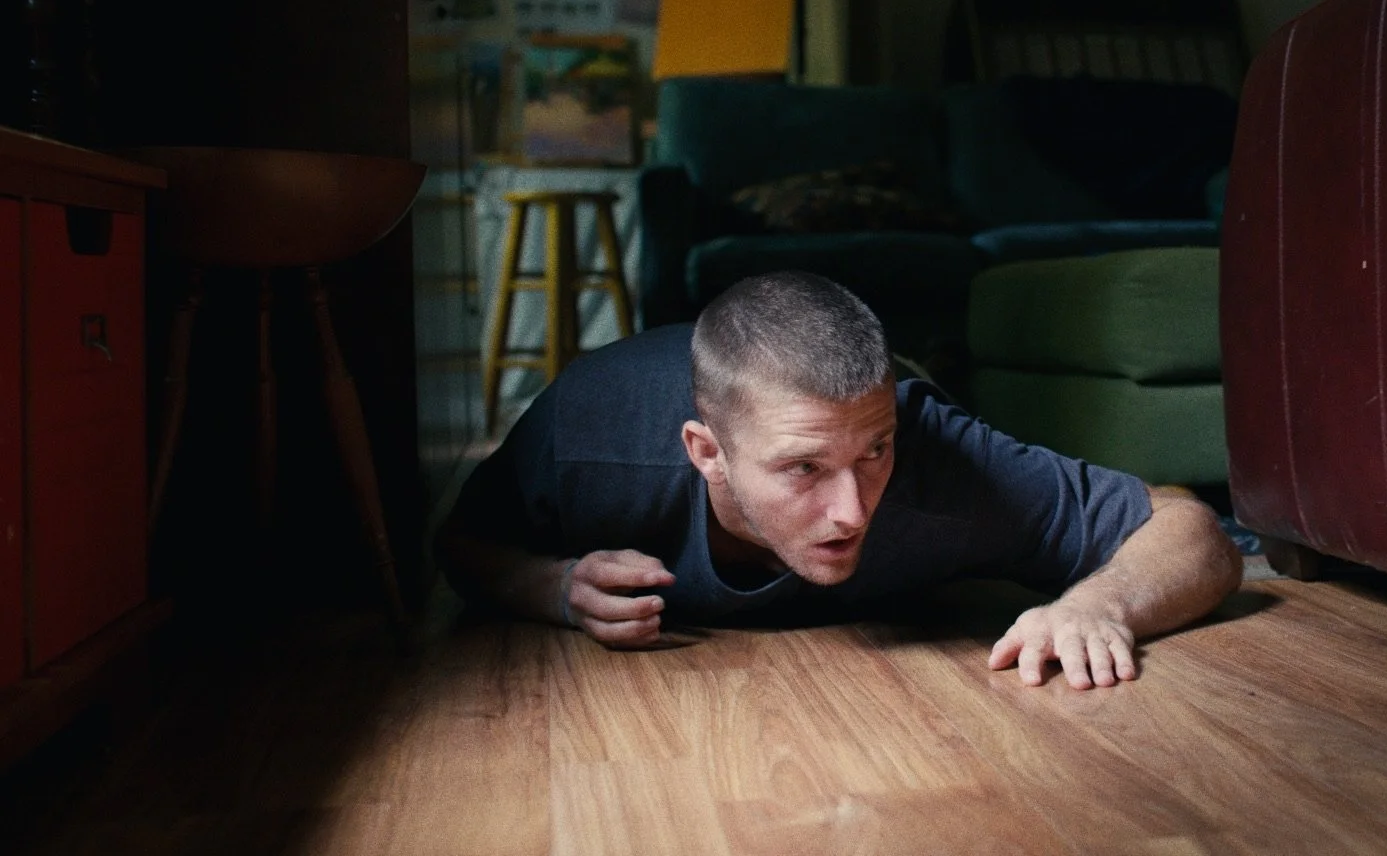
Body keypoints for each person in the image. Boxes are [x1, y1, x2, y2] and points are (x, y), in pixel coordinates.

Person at [437, 271, 1242, 691]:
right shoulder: (588, 435)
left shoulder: (942, 463)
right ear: (705, 451)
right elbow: (460, 545)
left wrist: (1100, 604)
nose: (852, 510)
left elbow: (1186, 525)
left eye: (873, 452)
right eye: (802, 469)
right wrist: (552, 587)